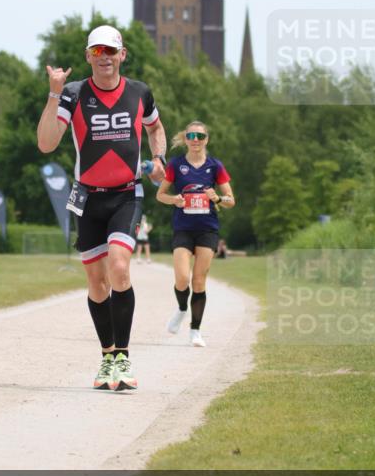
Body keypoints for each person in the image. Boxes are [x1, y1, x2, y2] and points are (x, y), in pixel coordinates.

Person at [37, 24, 166, 391]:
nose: (104, 57)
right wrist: (54, 93)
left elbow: (156, 128)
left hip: (127, 194)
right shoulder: (74, 94)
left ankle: (123, 358)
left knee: (120, 268)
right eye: (97, 51)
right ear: (88, 56)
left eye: (110, 51)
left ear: (122, 54)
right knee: (97, 282)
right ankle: (107, 357)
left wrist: (159, 158)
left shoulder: (140, 92)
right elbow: (46, 143)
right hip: (88, 197)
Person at [156, 121, 235, 347]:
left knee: (199, 281)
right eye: (191, 136)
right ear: (186, 139)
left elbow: (231, 200)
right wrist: (174, 200)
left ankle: (195, 331)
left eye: (200, 136)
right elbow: (160, 195)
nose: (195, 140)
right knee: (182, 279)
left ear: (206, 139)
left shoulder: (215, 166)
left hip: (207, 229)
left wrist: (217, 198)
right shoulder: (176, 164)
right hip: (183, 227)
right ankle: (182, 309)